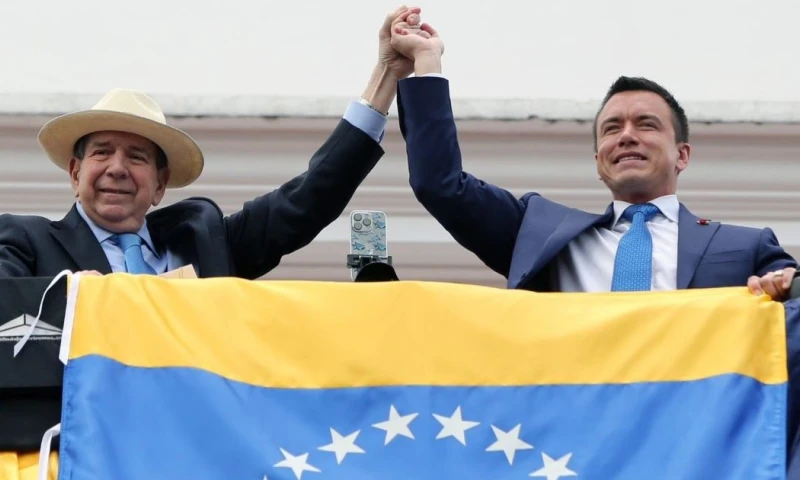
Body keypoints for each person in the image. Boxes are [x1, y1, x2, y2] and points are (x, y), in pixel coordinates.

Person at [0, 6, 426, 280]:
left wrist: (386, 75)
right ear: (75, 173)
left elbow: (311, 197)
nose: (117, 167)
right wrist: (70, 295)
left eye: (136, 156)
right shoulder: (27, 242)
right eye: (101, 152)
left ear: (160, 185)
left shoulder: (206, 243)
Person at [389, 20, 797, 299]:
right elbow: (439, 185)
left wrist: (782, 288)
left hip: (695, 419)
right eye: (611, 128)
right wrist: (427, 63)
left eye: (647, 124)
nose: (627, 136)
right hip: (579, 418)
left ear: (682, 155)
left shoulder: (744, 245)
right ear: (599, 161)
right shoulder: (541, 234)